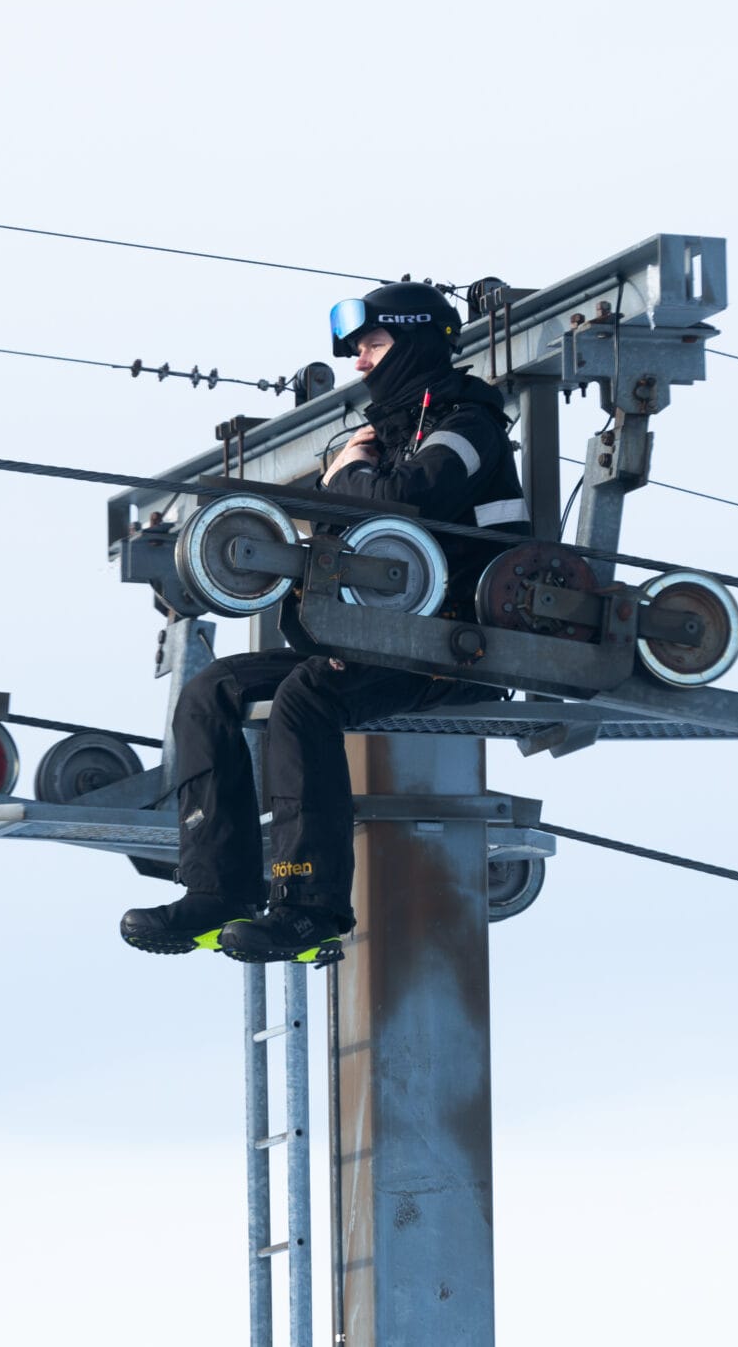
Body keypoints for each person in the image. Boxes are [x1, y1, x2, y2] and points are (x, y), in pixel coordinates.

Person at [120, 281, 531, 964]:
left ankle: (310, 907)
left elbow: (404, 503)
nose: (361, 364)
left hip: (459, 646)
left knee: (306, 698)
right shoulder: (389, 438)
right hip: (388, 641)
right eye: (359, 351)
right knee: (211, 691)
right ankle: (215, 890)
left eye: (372, 345)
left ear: (416, 341)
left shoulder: (468, 427)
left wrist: (350, 468)